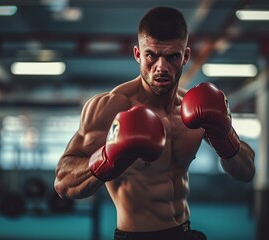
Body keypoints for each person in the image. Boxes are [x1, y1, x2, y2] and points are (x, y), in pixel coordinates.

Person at [54, 6, 255, 240]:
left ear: (186, 56)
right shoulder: (111, 108)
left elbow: (246, 171)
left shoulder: (196, 107)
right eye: (152, 55)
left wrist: (224, 135)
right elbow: (63, 184)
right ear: (138, 54)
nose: (161, 67)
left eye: (172, 57)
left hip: (185, 233)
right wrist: (108, 157)